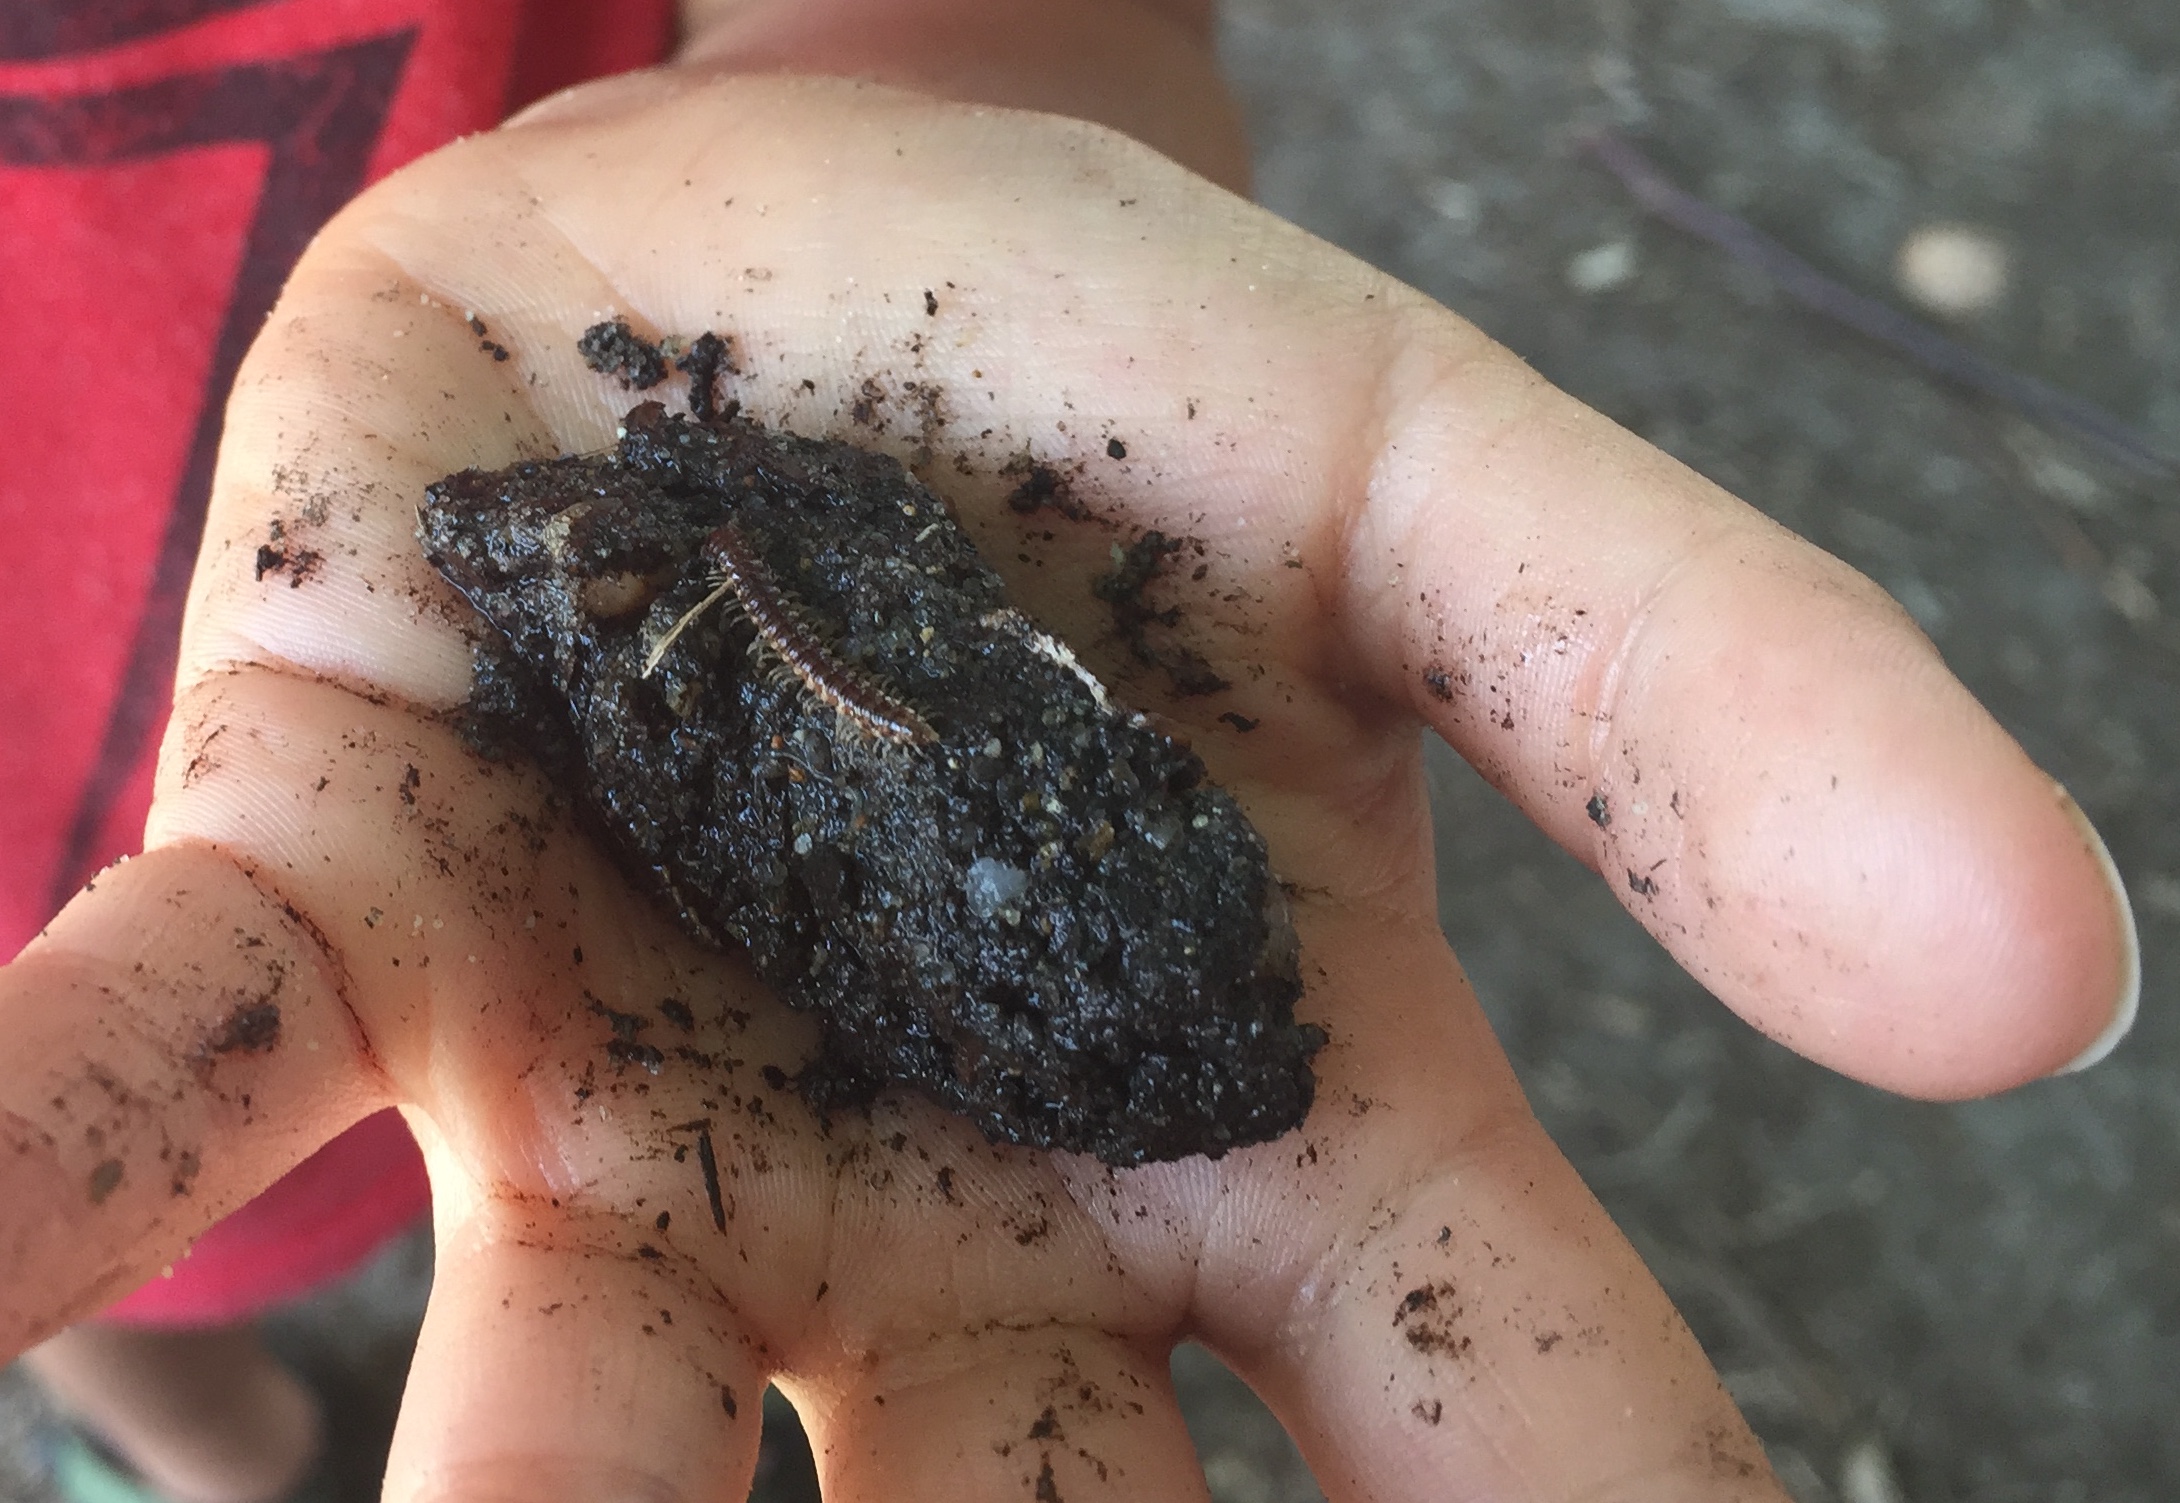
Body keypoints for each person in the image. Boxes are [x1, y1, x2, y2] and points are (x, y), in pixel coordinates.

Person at [0, 2, 2137, 1502]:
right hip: (169, 955)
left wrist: (925, 82)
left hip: (545, 896)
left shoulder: (679, 528)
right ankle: (203, 1444)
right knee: (127, 1250)